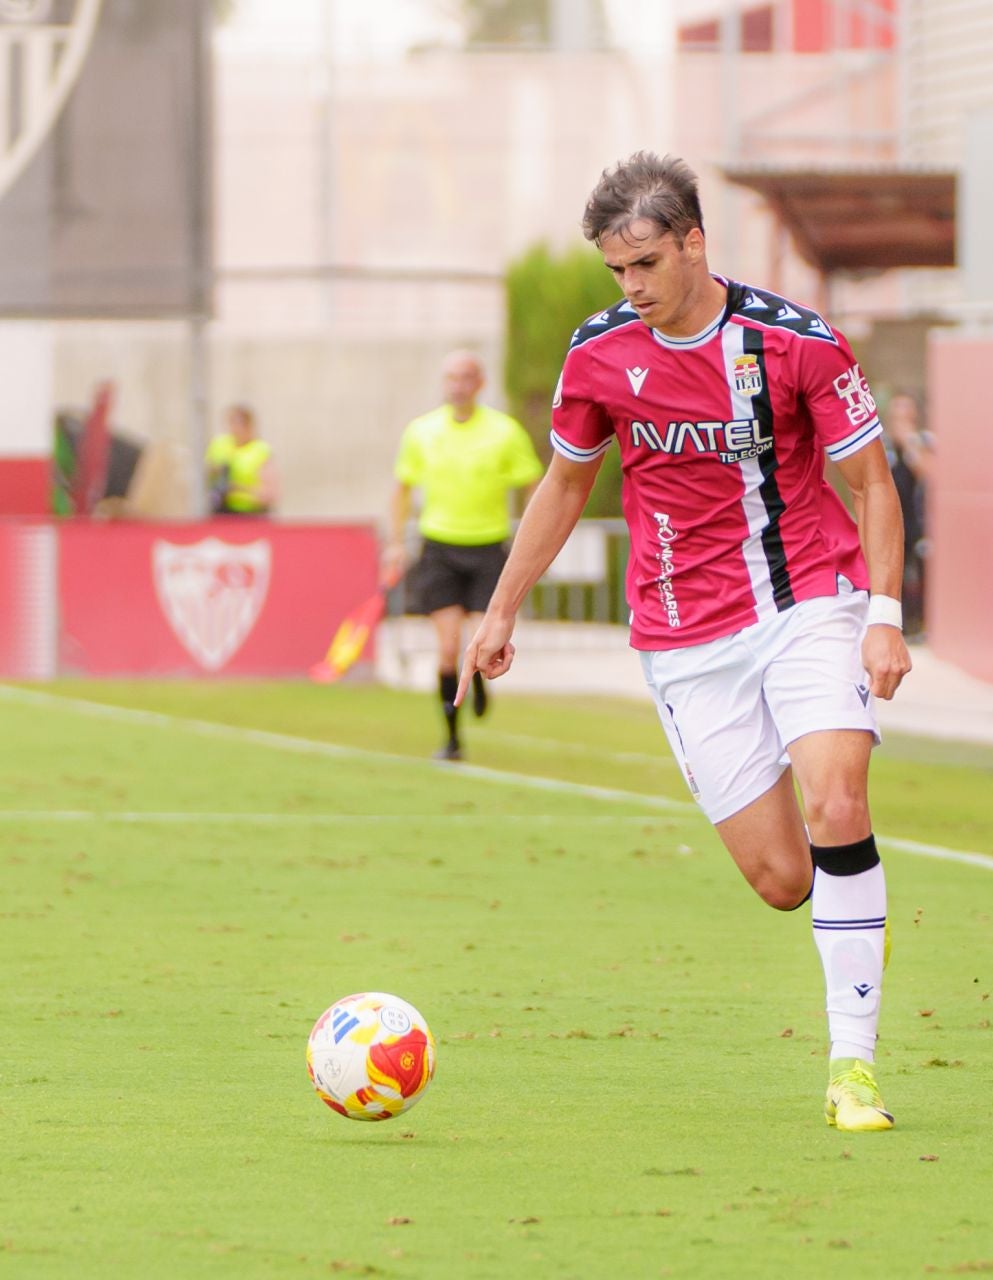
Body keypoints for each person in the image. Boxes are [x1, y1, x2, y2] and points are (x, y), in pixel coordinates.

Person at [458, 152, 911, 1132]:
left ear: (695, 243)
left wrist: (883, 612)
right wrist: (503, 607)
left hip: (808, 602)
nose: (634, 289)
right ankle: (829, 933)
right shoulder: (599, 355)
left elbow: (874, 484)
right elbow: (566, 483)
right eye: (618, 272)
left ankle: (854, 1063)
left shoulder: (796, 343)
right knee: (782, 879)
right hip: (683, 636)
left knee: (838, 796)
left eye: (648, 265)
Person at [388, 351, 544, 761]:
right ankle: (452, 738)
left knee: (483, 637)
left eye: (465, 377)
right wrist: (394, 541)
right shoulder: (422, 431)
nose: (457, 385)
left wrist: (534, 534)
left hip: (489, 546)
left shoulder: (503, 432)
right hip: (439, 546)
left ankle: (478, 677)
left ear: (480, 383)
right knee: (446, 645)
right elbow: (402, 487)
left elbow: (534, 485)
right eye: (451, 377)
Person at [883, 391, 934, 636]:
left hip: (918, 524)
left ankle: (920, 624)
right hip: (890, 524)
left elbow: (930, 473)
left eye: (907, 414)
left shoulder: (924, 442)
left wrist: (911, 443)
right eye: (897, 415)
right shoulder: (882, 445)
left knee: (922, 571)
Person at [206, 405, 279, 516]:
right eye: (232, 423)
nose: (235, 429)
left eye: (240, 424)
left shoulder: (260, 450)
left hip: (252, 513)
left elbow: (269, 494)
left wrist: (237, 487)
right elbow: (207, 472)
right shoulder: (220, 444)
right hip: (223, 510)